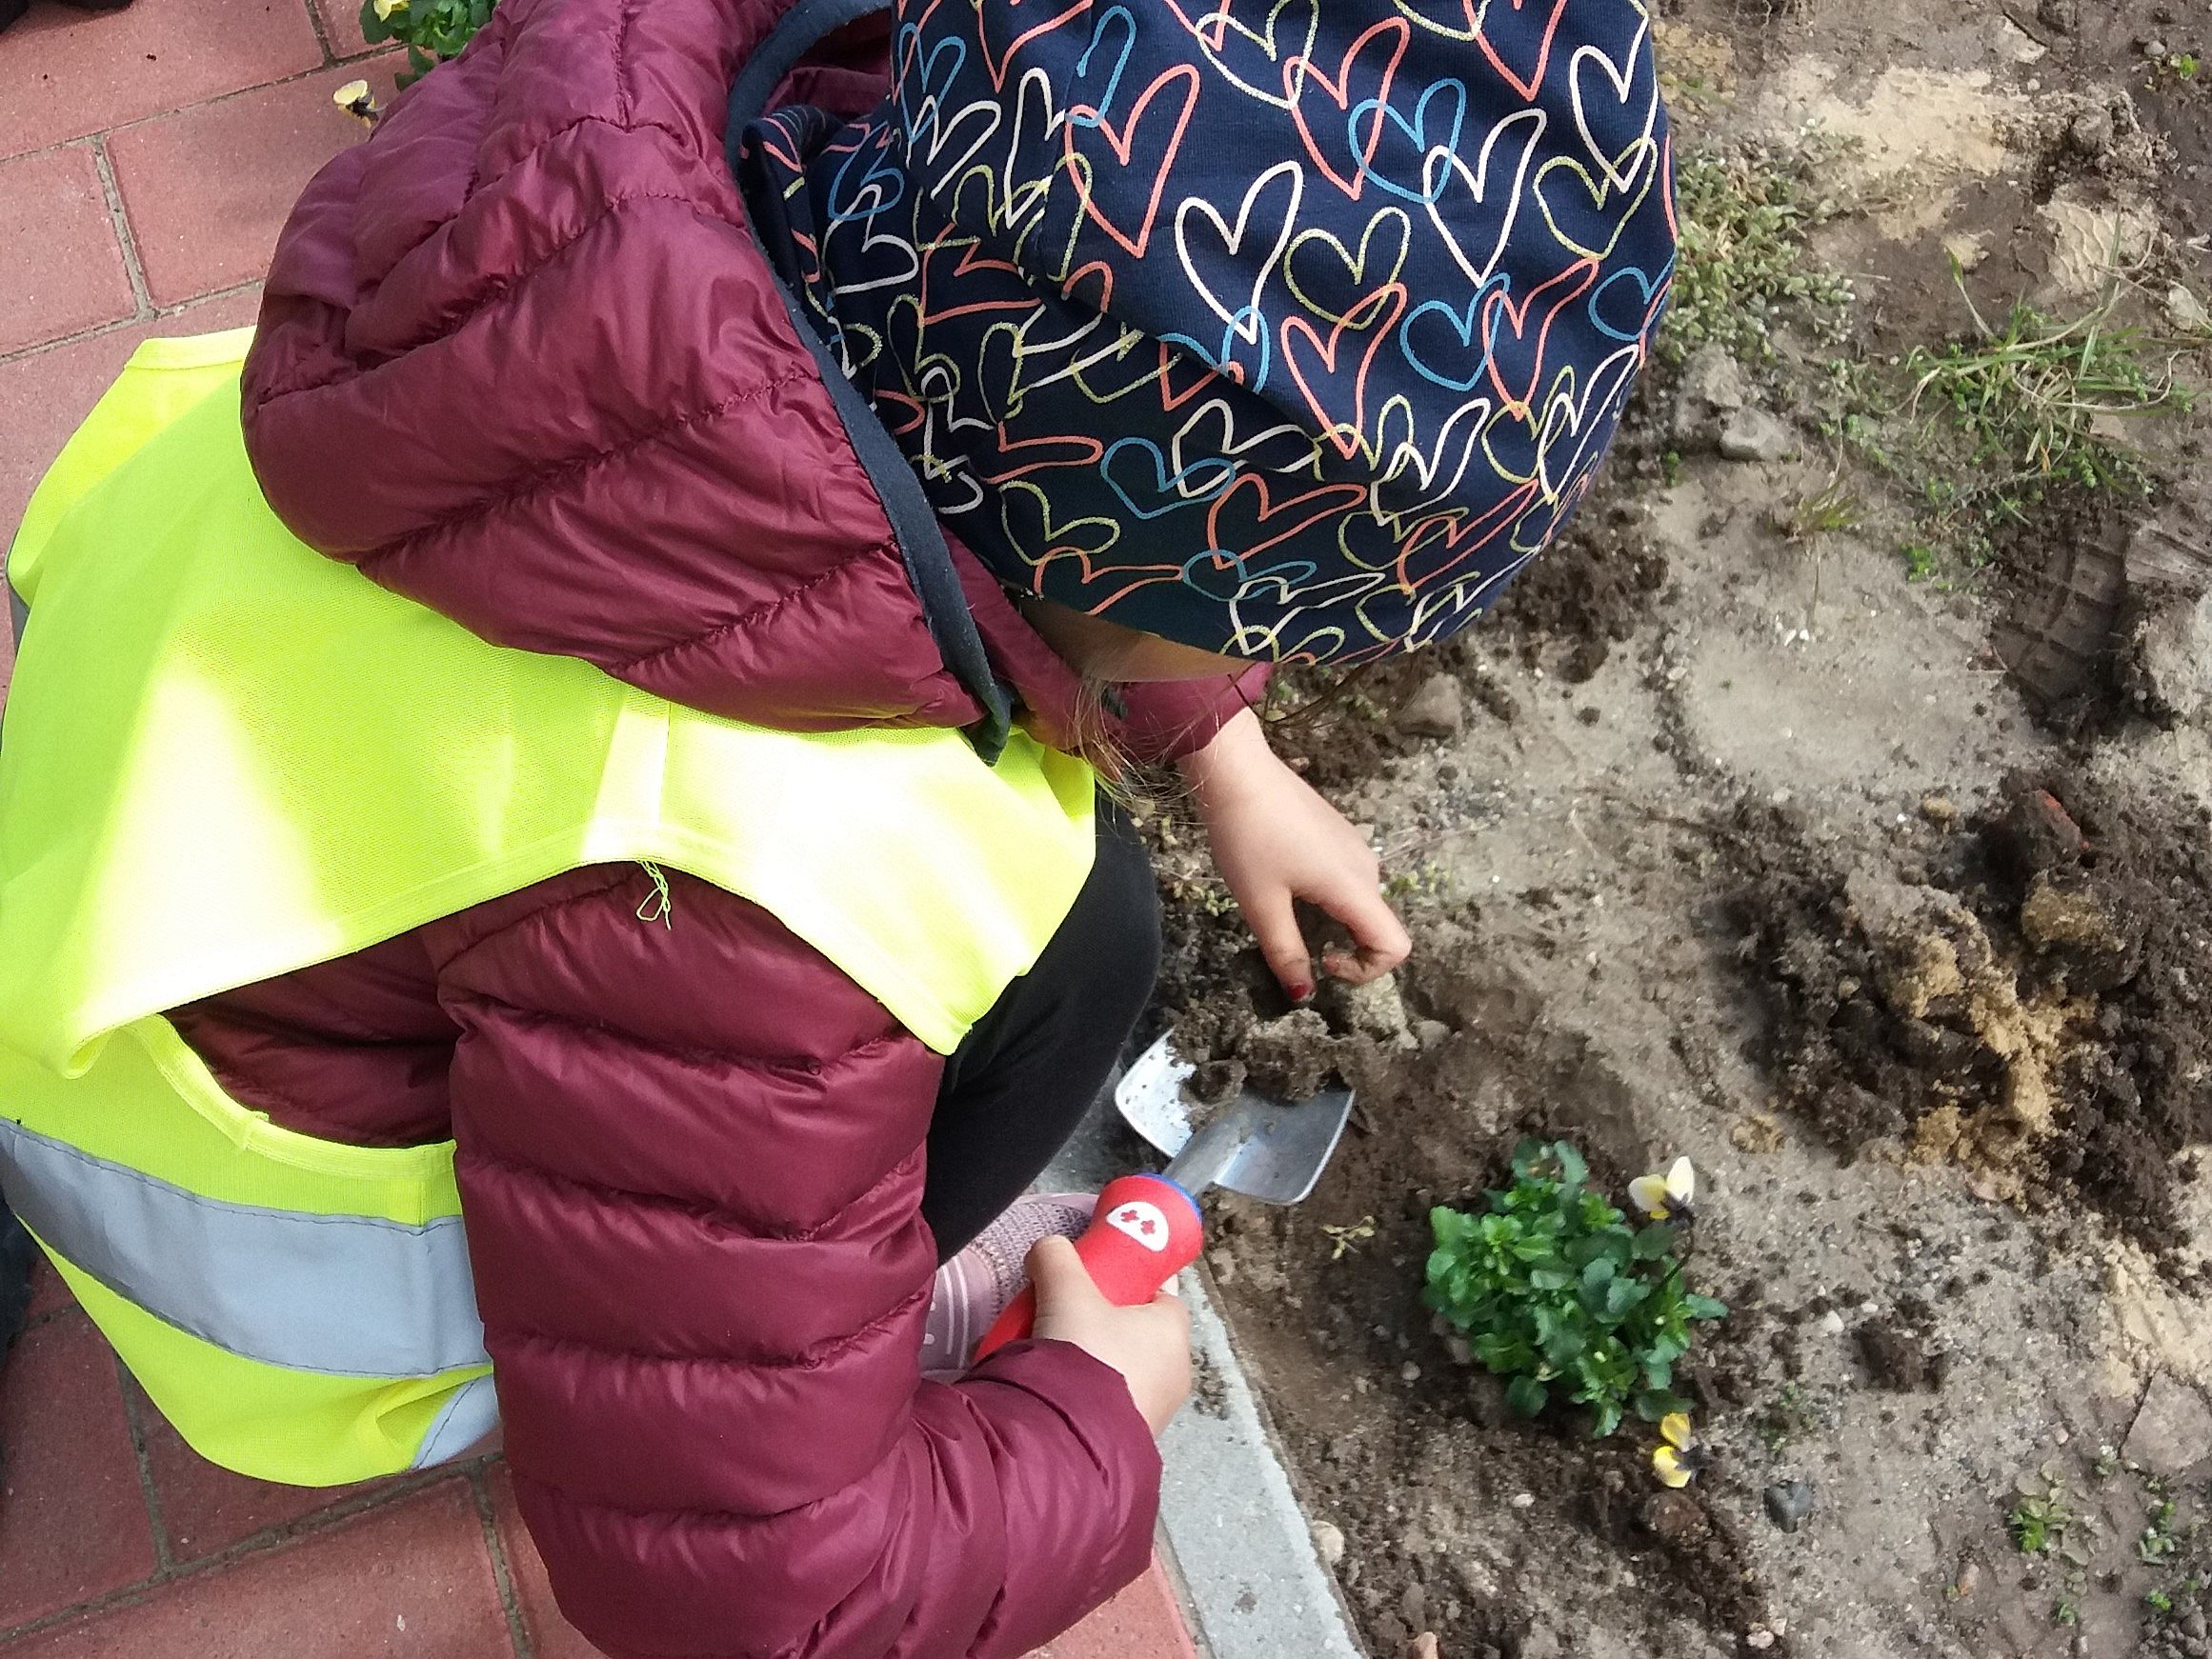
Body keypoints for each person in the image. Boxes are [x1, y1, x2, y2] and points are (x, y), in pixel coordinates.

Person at [0, 1, 1671, 1653]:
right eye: (1265, 624)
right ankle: (817, 1333)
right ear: (1134, 570)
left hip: (141, 859)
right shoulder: (739, 887)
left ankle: (755, 1283)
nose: (1269, 659)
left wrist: (1216, 743)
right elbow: (753, 1597)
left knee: (1080, 905)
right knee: (1030, 924)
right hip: (249, 1245)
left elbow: (928, 496)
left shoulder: (689, 207)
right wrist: (1089, 1410)